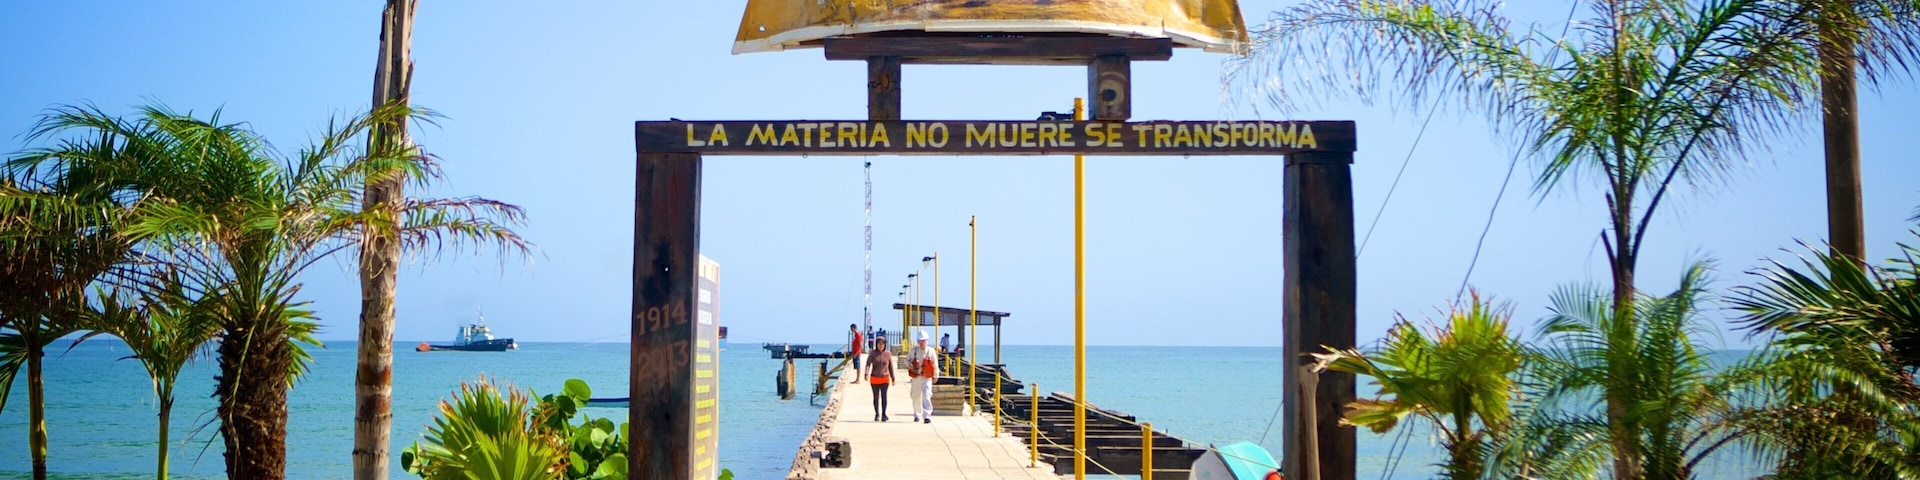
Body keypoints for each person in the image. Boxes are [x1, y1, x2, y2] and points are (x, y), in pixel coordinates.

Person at [907, 330, 938, 424]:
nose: (922, 343)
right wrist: (909, 365)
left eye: (924, 341)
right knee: (916, 396)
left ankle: (927, 415)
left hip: (927, 377)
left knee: (927, 395)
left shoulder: (931, 351)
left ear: (927, 341)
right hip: (916, 377)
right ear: (918, 341)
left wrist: (936, 375)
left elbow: (935, 365)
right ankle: (917, 414)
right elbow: (907, 360)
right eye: (920, 341)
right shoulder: (913, 351)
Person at [866, 336, 895, 422]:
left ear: (885, 344)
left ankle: (884, 414)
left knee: (884, 397)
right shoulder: (873, 353)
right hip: (874, 378)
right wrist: (866, 373)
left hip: (885, 378)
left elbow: (890, 367)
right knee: (876, 397)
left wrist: (893, 377)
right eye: (879, 344)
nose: (881, 345)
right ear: (876, 344)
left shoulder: (888, 354)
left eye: (882, 344)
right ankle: (877, 414)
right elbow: (868, 364)